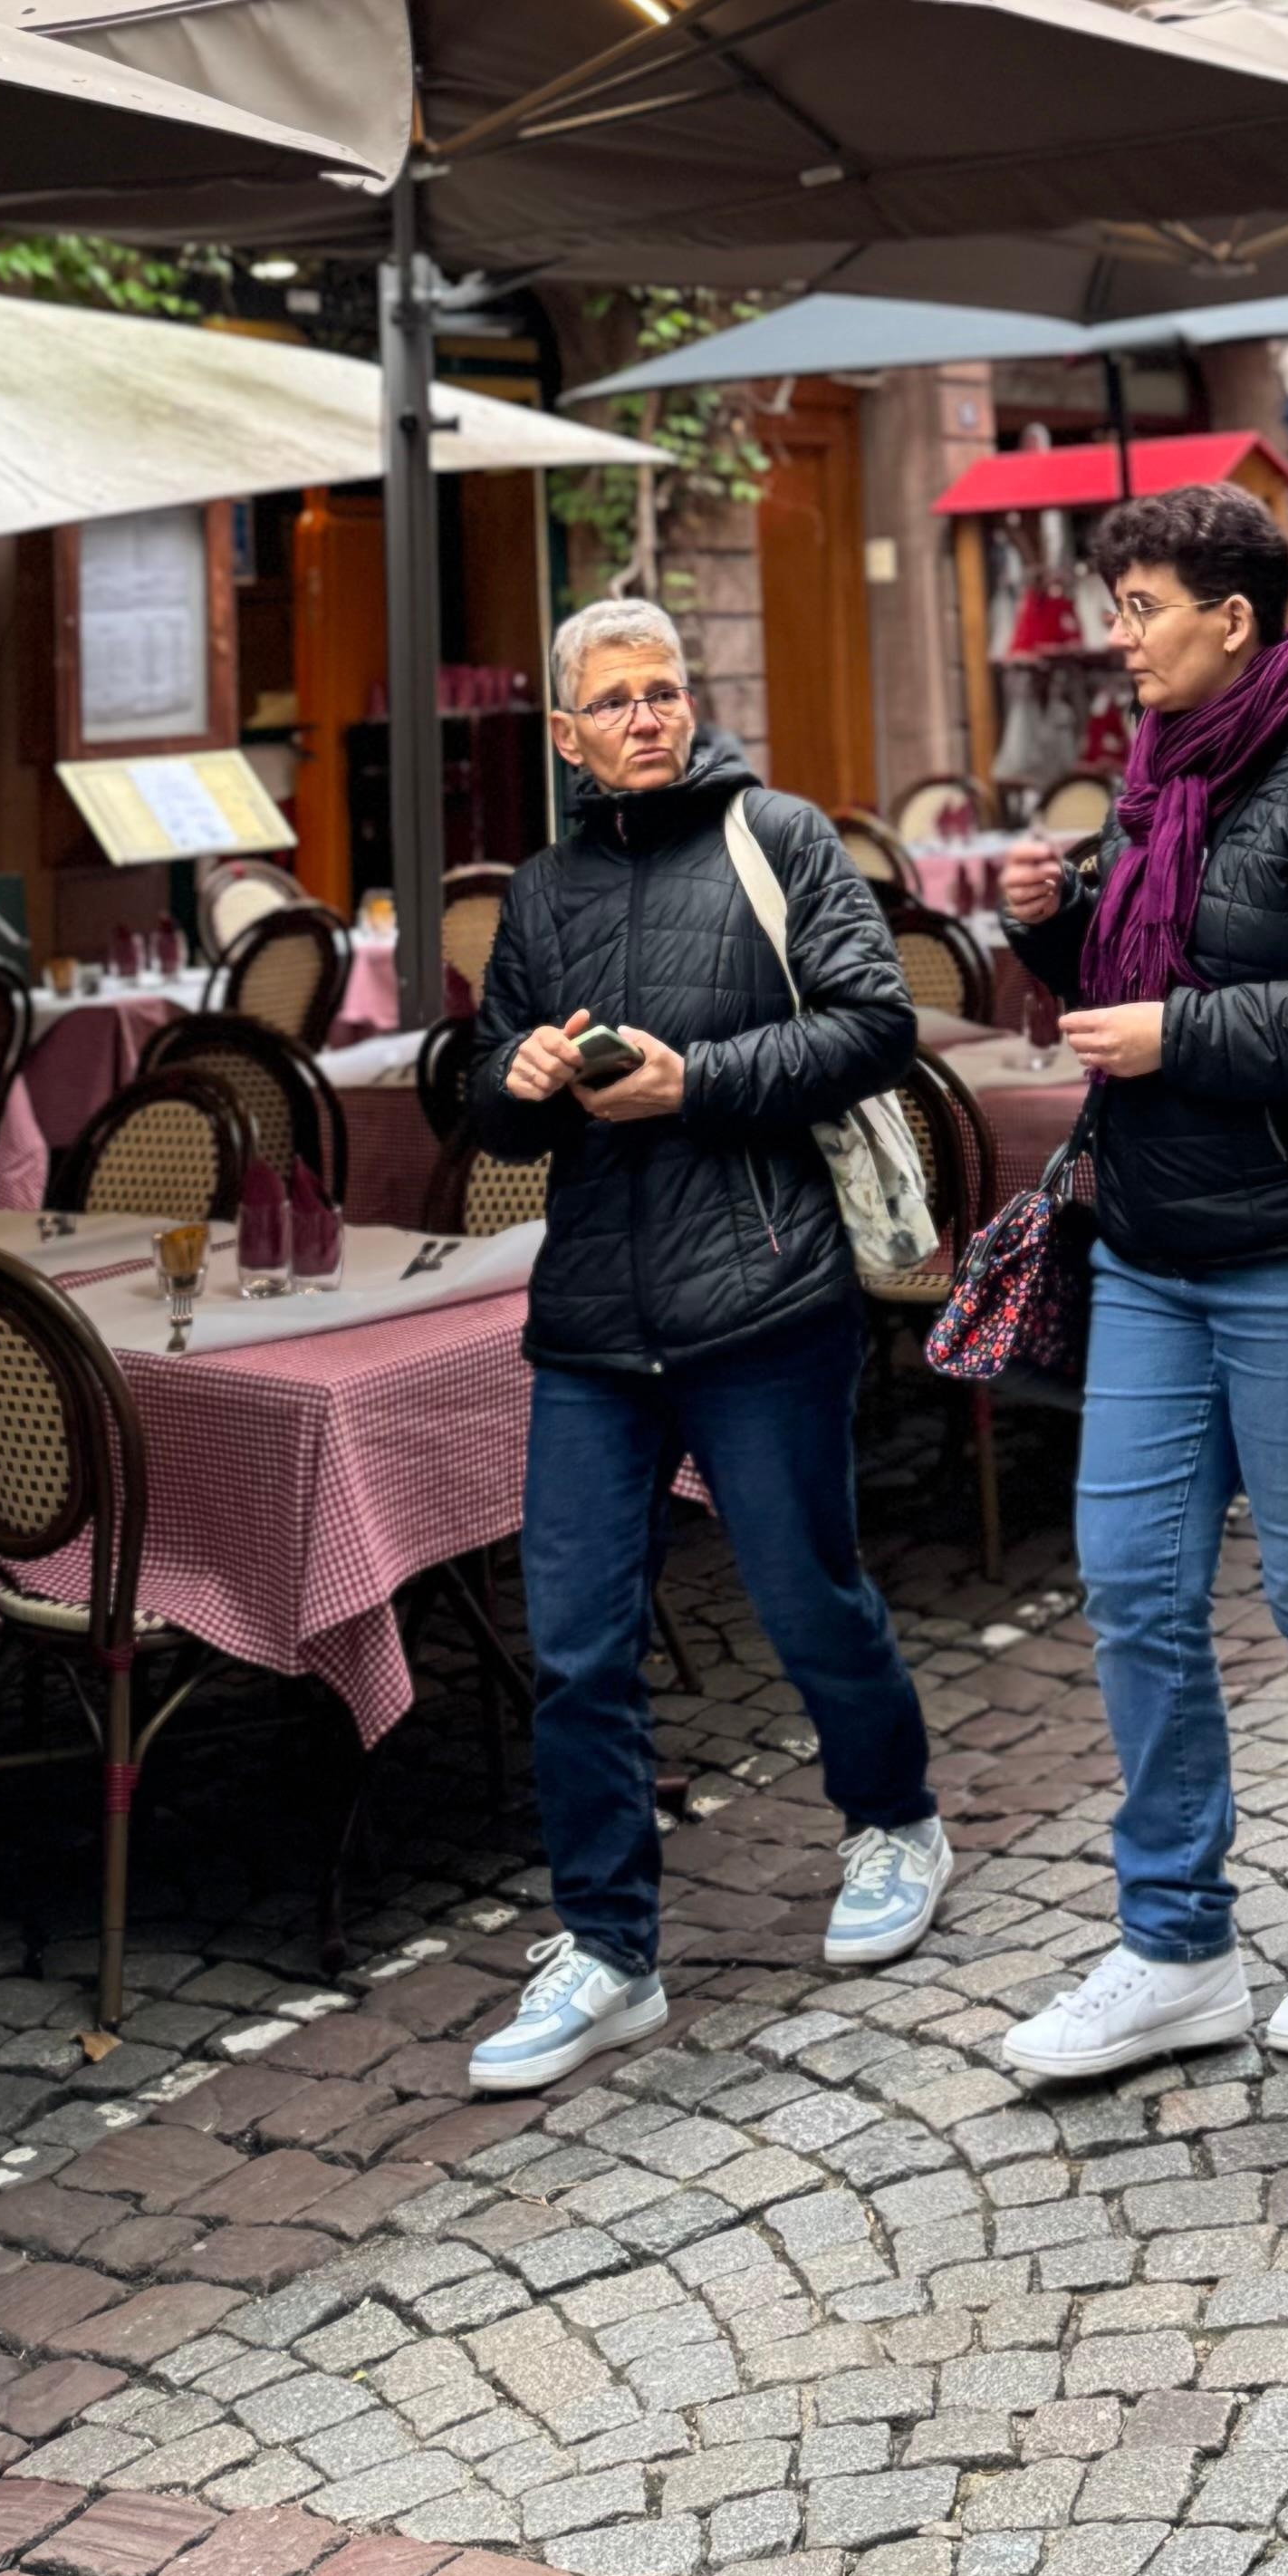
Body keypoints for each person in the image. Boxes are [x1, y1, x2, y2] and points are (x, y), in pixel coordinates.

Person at [990, 478, 1288, 2086]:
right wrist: (1058, 931)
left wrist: (1179, 1035)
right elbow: (1149, 966)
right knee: (1131, 1583)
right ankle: (1173, 1943)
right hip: (1156, 1240)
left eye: (1140, 610)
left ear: (1233, 618)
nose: (1116, 640)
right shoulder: (1162, 759)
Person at [458, 598, 947, 2094]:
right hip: (594, 1320)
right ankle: (608, 1948)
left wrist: (701, 1080)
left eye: (664, 689)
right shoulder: (542, 891)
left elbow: (876, 1024)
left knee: (807, 1600)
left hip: (764, 1291)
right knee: (574, 1649)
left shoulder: (778, 837)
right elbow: (481, 1102)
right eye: (613, 700)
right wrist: (516, 1072)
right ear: (566, 734)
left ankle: (894, 1822)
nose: (646, 716)